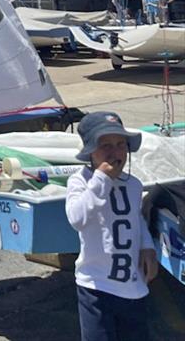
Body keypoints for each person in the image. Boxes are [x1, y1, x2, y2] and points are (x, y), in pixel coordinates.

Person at [65, 110, 157, 341]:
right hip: (96, 285)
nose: (115, 152)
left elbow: (136, 219)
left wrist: (147, 246)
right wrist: (100, 181)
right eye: (105, 145)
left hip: (131, 285)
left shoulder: (133, 184)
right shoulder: (81, 181)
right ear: (89, 151)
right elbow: (77, 218)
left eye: (120, 144)